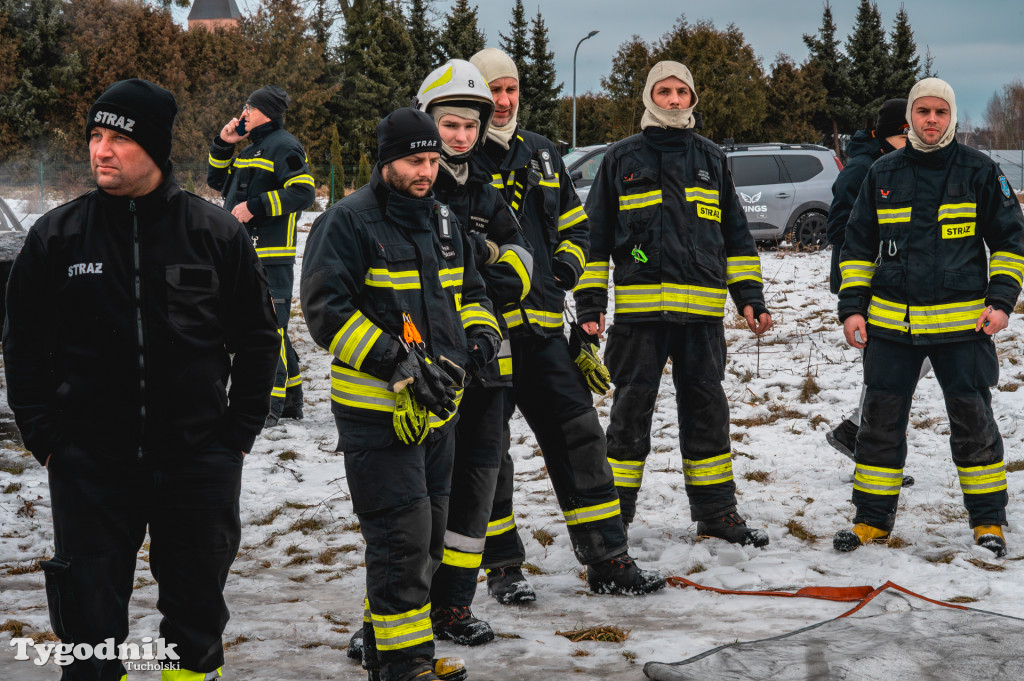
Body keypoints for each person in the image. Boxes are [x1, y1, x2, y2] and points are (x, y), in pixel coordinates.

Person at [3, 78, 280, 681]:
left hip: (197, 461)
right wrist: (46, 439)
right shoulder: (56, 237)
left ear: (153, 146)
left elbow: (259, 340)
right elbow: (22, 346)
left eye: (117, 138)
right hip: (90, 467)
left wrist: (237, 436)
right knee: (89, 627)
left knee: (196, 620)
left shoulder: (215, 234)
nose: (101, 150)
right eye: (95, 137)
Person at [301, 107, 501, 681]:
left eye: (434, 160)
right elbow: (326, 311)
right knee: (402, 543)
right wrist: (397, 360)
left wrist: (481, 339)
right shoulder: (346, 222)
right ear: (386, 161)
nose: (428, 171)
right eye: (416, 160)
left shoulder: (442, 222)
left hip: (438, 415)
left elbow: (472, 292)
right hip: (376, 416)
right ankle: (405, 667)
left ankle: (378, 640)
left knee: (427, 540)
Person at [469, 47, 665, 601]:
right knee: (490, 453)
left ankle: (608, 558)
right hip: (486, 336)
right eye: (493, 91)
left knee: (581, 437)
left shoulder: (544, 154)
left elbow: (577, 228)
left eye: (510, 90)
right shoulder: (457, 157)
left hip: (544, 331)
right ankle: (503, 567)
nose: (503, 101)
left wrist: (563, 272)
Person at [575, 60, 773, 548]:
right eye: (663, 91)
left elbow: (737, 239)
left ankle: (716, 512)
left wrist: (750, 298)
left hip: (701, 320)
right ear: (649, 97)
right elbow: (593, 240)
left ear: (693, 98)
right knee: (629, 414)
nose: (673, 100)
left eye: (681, 91)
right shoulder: (621, 159)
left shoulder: (711, 159)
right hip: (639, 320)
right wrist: (590, 306)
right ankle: (611, 516)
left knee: (707, 411)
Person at [834, 78, 1024, 556]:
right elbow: (856, 248)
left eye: (940, 112)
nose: (932, 120)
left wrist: (1001, 302)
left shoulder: (980, 171)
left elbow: (1009, 242)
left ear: (953, 117)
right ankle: (872, 522)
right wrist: (853, 308)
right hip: (892, 330)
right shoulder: (882, 173)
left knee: (974, 425)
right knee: (878, 428)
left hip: (964, 330)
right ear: (911, 119)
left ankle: (988, 522)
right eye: (923, 112)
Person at [826, 98, 921, 485]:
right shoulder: (863, 168)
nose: (913, 140)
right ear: (892, 134)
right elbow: (838, 229)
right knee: (888, 367)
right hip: (866, 286)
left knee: (906, 363)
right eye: (907, 134)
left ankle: (857, 431)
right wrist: (884, 243)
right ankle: (867, 445)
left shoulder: (900, 165)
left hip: (899, 284)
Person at [208, 85, 315, 428]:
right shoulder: (250, 149)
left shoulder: (284, 145)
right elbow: (218, 182)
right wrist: (224, 143)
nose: (242, 114)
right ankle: (292, 402)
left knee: (270, 329)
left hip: (272, 255)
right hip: (245, 252)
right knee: (275, 329)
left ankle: (270, 405)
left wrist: (255, 207)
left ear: (266, 112)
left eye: (248, 108)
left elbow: (303, 192)